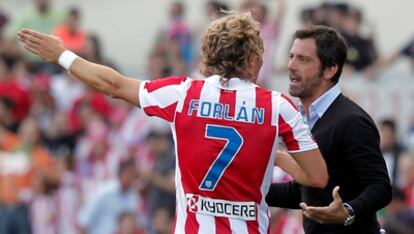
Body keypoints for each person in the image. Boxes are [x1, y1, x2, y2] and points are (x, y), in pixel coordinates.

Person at [18, 12, 328, 233]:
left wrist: (62, 55)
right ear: (250, 60)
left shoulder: (182, 94)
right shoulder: (278, 108)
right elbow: (316, 177)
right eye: (260, 56)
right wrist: (269, 153)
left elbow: (113, 85)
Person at [265, 26, 392, 233]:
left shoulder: (352, 121)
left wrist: (348, 211)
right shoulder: (302, 121)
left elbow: (381, 187)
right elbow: (304, 194)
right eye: (291, 56)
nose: (291, 65)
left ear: (330, 69)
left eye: (303, 59)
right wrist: (247, 189)